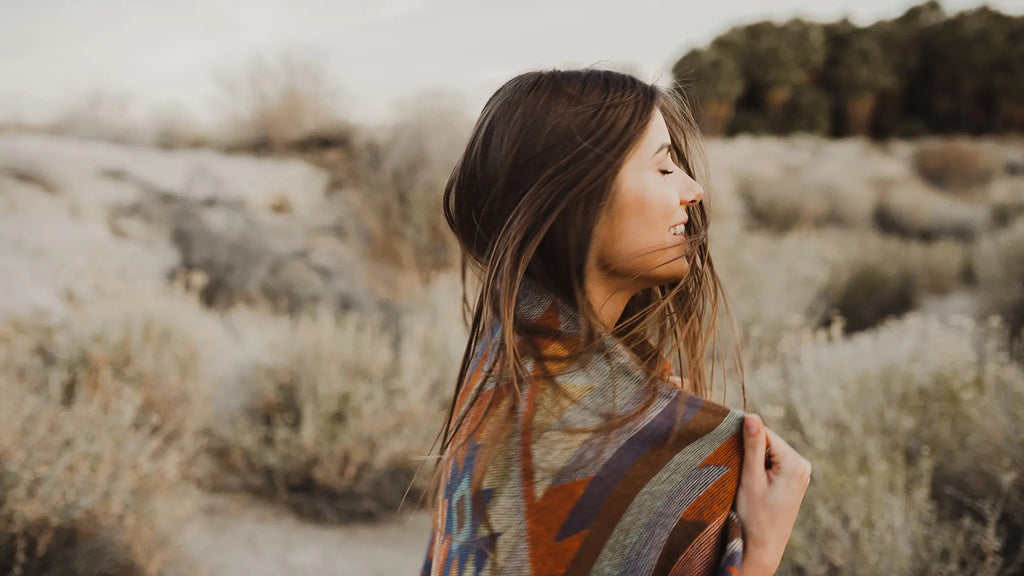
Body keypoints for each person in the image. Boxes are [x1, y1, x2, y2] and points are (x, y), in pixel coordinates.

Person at [418, 67, 811, 576]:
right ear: (577, 198)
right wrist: (758, 556)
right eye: (665, 168)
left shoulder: (495, 376)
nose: (694, 190)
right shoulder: (690, 464)